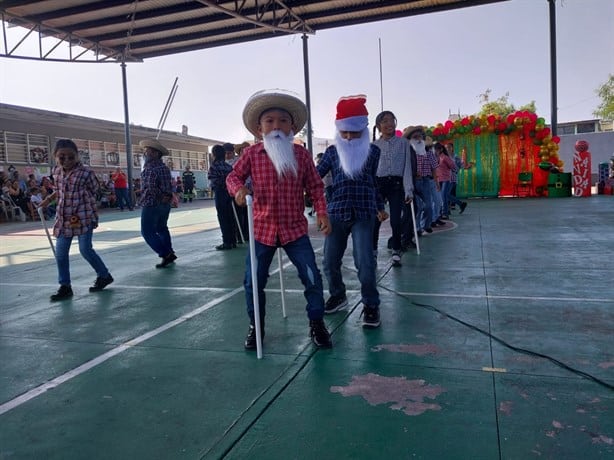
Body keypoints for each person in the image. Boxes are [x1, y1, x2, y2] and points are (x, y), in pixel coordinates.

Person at [226, 89, 333, 350]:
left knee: (311, 276)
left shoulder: (302, 155)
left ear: (292, 127)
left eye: (283, 121)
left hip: (294, 230)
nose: (277, 126)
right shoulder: (251, 155)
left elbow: (316, 187)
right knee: (253, 281)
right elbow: (232, 177)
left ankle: (317, 323)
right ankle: (256, 327)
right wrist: (238, 190)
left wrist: (321, 212)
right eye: (269, 121)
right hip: (261, 230)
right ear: (259, 128)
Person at [317, 95, 388, 328]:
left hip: (364, 213)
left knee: (365, 262)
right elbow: (314, 177)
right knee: (329, 261)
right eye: (344, 133)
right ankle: (338, 295)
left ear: (364, 129)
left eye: (354, 133)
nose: (348, 137)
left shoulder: (374, 153)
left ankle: (371, 305)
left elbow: (373, 183)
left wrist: (380, 207)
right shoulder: (330, 152)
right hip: (336, 211)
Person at [39, 139, 113, 301]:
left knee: (85, 249)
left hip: (84, 216)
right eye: (61, 157)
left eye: (71, 157)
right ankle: (65, 286)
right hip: (64, 218)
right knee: (60, 253)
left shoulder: (86, 173)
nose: (66, 161)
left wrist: (83, 201)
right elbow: (59, 191)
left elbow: (95, 191)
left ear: (77, 156)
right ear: (55, 157)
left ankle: (104, 275)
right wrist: (47, 200)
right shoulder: (56, 172)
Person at [372, 111, 414, 266]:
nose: (389, 124)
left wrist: (408, 189)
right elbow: (370, 170)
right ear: (378, 126)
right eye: (384, 121)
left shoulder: (403, 143)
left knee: (396, 220)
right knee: (375, 220)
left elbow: (407, 167)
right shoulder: (374, 146)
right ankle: (373, 251)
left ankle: (396, 249)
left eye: (391, 120)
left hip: (396, 185)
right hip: (378, 185)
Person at [138, 138, 177, 269]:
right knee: (162, 228)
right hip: (165, 203)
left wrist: (159, 197)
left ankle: (165, 253)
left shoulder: (149, 168)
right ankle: (169, 251)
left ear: (155, 153)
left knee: (147, 231)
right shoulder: (164, 168)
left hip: (151, 203)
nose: (145, 153)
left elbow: (151, 187)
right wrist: (167, 197)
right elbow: (168, 185)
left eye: (148, 151)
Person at [403, 126, 438, 234]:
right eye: (415, 137)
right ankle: (417, 228)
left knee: (428, 206)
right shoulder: (407, 153)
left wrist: (436, 182)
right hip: (413, 182)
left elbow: (434, 168)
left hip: (425, 181)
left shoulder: (428, 153)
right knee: (417, 206)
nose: (418, 139)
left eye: (420, 137)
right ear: (410, 139)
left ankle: (425, 224)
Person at [208, 144, 236, 250]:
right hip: (229, 192)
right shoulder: (228, 167)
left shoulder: (213, 167)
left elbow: (213, 181)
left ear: (214, 154)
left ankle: (226, 241)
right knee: (230, 217)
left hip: (220, 193)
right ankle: (233, 240)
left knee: (223, 218)